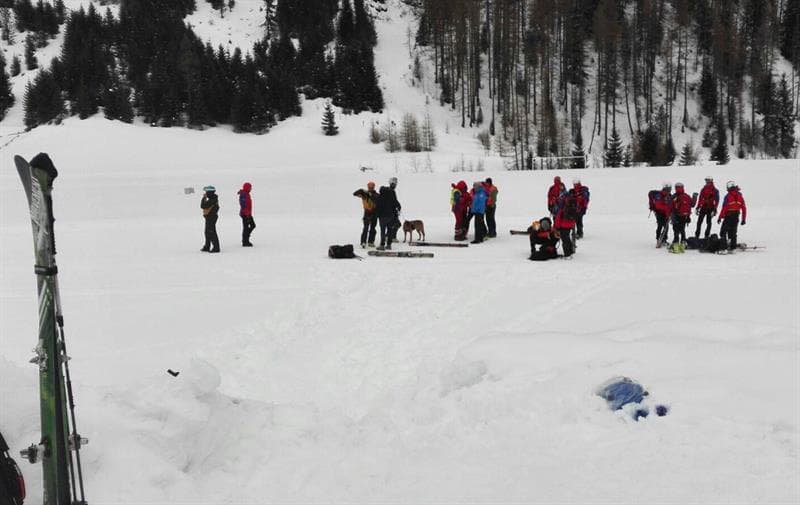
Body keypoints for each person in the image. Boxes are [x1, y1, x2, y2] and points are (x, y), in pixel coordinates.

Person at [718, 181, 747, 250]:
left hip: (728, 216)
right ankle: (732, 247)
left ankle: (723, 247)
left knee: (723, 231)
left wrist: (720, 217)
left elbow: (724, 208)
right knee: (733, 232)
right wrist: (743, 219)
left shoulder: (727, 196)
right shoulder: (740, 196)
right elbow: (744, 208)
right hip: (736, 216)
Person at [376, 177, 401, 250]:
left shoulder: (381, 195)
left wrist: (378, 214)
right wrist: (397, 210)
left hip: (382, 216)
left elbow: (378, 205)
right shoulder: (392, 193)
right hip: (391, 215)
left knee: (383, 231)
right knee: (390, 230)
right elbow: (396, 203)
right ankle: (389, 245)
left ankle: (382, 245)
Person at [353, 181, 378, 248]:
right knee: (365, 228)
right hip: (366, 212)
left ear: (373, 187)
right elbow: (355, 194)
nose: (370, 188)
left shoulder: (376, 195)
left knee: (373, 228)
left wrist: (371, 195)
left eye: (371, 187)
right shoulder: (364, 194)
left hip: (374, 212)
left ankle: (371, 242)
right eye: (369, 187)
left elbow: (377, 201)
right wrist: (361, 190)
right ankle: (363, 242)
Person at [554, 191, 577, 257]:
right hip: (570, 223)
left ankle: (567, 254)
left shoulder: (562, 204)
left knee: (565, 239)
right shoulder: (570, 201)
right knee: (567, 237)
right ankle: (570, 251)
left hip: (563, 224)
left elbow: (558, 216)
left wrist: (556, 226)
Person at [200, 185, 220, 253]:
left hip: (211, 217)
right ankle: (207, 246)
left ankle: (216, 248)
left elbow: (203, 206)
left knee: (212, 232)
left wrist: (203, 198)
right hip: (209, 217)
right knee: (207, 232)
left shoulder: (213, 199)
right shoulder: (212, 198)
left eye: (206, 192)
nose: (205, 193)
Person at [238, 182, 255, 247]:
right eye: (250, 187)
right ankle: (245, 241)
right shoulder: (243, 194)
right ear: (247, 188)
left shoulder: (247, 194)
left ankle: (245, 239)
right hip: (245, 214)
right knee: (247, 227)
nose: (251, 189)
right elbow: (243, 205)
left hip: (248, 213)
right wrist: (247, 213)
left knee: (251, 226)